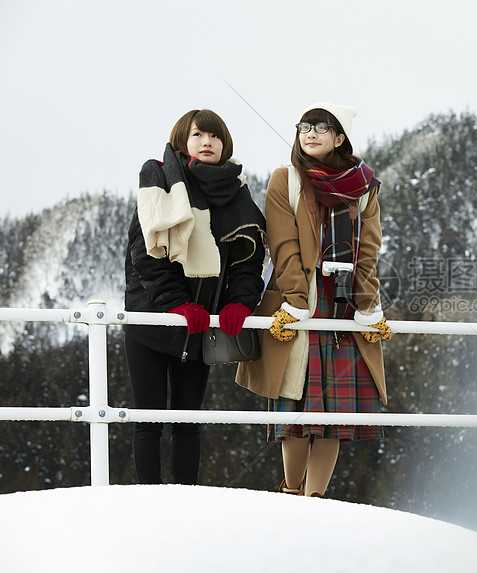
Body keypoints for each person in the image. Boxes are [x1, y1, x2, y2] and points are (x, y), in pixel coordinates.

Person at [236, 102, 390, 498]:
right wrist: (294, 302)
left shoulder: (365, 188)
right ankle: (290, 490)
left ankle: (316, 498)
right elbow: (283, 247)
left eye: (322, 127)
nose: (310, 133)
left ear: (340, 138)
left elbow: (368, 251)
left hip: (343, 305)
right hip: (299, 300)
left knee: (333, 413)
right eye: (304, 126)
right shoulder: (285, 180)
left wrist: (368, 307)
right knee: (295, 401)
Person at [124, 109, 266, 485]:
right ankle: (148, 498)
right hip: (152, 322)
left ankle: (187, 500)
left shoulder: (237, 196)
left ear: (225, 145)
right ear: (182, 141)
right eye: (198, 135)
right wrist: (175, 304)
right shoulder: (161, 186)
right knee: (149, 419)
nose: (207, 142)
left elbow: (249, 262)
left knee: (188, 420)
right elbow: (145, 256)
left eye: (215, 137)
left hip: (201, 324)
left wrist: (241, 303)